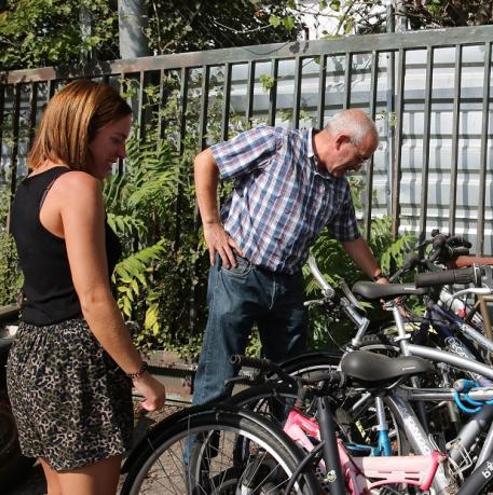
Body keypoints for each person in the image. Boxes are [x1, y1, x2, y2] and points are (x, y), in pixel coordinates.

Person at [6, 80, 166, 495]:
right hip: (74, 364)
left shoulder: (28, 187)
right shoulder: (77, 186)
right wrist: (141, 374)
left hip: (32, 356)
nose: (122, 153)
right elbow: (93, 297)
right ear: (83, 129)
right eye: (116, 139)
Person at [191, 109, 389, 407]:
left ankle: (277, 452)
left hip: (287, 286)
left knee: (290, 382)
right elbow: (206, 160)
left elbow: (350, 237)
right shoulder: (277, 143)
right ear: (341, 141)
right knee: (218, 377)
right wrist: (212, 225)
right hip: (239, 272)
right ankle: (197, 453)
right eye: (360, 157)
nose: (359, 167)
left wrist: (379, 277)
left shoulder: (337, 188)